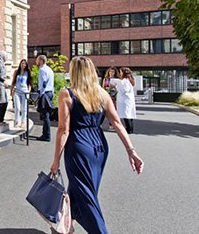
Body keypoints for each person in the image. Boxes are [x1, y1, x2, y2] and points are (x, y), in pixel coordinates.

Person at [50, 56, 144, 234]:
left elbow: (63, 130)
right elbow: (117, 123)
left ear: (75, 72)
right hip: (99, 146)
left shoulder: (67, 94)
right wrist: (131, 151)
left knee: (86, 194)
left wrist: (56, 161)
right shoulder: (102, 94)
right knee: (82, 187)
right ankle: (66, 225)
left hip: (79, 146)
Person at [111, 67, 137, 134]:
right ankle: (130, 129)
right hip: (127, 100)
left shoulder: (125, 81)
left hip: (125, 101)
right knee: (129, 115)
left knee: (126, 116)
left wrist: (116, 86)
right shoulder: (128, 80)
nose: (120, 73)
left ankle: (129, 129)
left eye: (120, 72)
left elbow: (124, 90)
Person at [36, 55, 54, 141]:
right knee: (46, 114)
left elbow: (43, 83)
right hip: (50, 92)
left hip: (45, 93)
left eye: (37, 60)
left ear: (41, 61)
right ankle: (45, 134)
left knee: (45, 115)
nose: (36, 61)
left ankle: (46, 135)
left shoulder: (42, 70)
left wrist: (41, 95)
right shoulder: (49, 69)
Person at [10, 59, 32, 128]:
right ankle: (17, 121)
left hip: (24, 92)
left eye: (25, 64)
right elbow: (13, 82)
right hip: (17, 91)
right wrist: (11, 91)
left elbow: (30, 84)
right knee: (17, 107)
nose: (23, 65)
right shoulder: (16, 72)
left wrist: (28, 92)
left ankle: (23, 122)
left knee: (24, 108)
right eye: (22, 63)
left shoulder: (27, 72)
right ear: (20, 64)